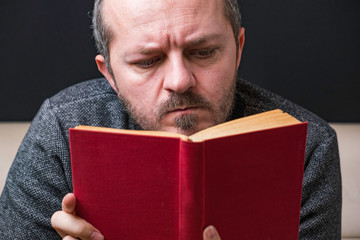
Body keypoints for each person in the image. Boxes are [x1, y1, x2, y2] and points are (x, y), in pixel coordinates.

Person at [0, 0, 342, 239]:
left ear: (238, 49)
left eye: (203, 52)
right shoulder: (61, 132)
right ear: (110, 74)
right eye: (147, 61)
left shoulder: (307, 146)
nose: (180, 81)